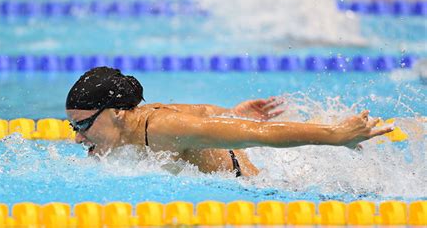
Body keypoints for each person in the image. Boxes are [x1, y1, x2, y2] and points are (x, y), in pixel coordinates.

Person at [66, 67, 394, 177]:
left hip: (244, 183)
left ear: (117, 113)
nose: (78, 138)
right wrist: (231, 114)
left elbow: (261, 134)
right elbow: (200, 112)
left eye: (83, 126)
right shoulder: (136, 120)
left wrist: (337, 134)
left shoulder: (162, 128)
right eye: (73, 127)